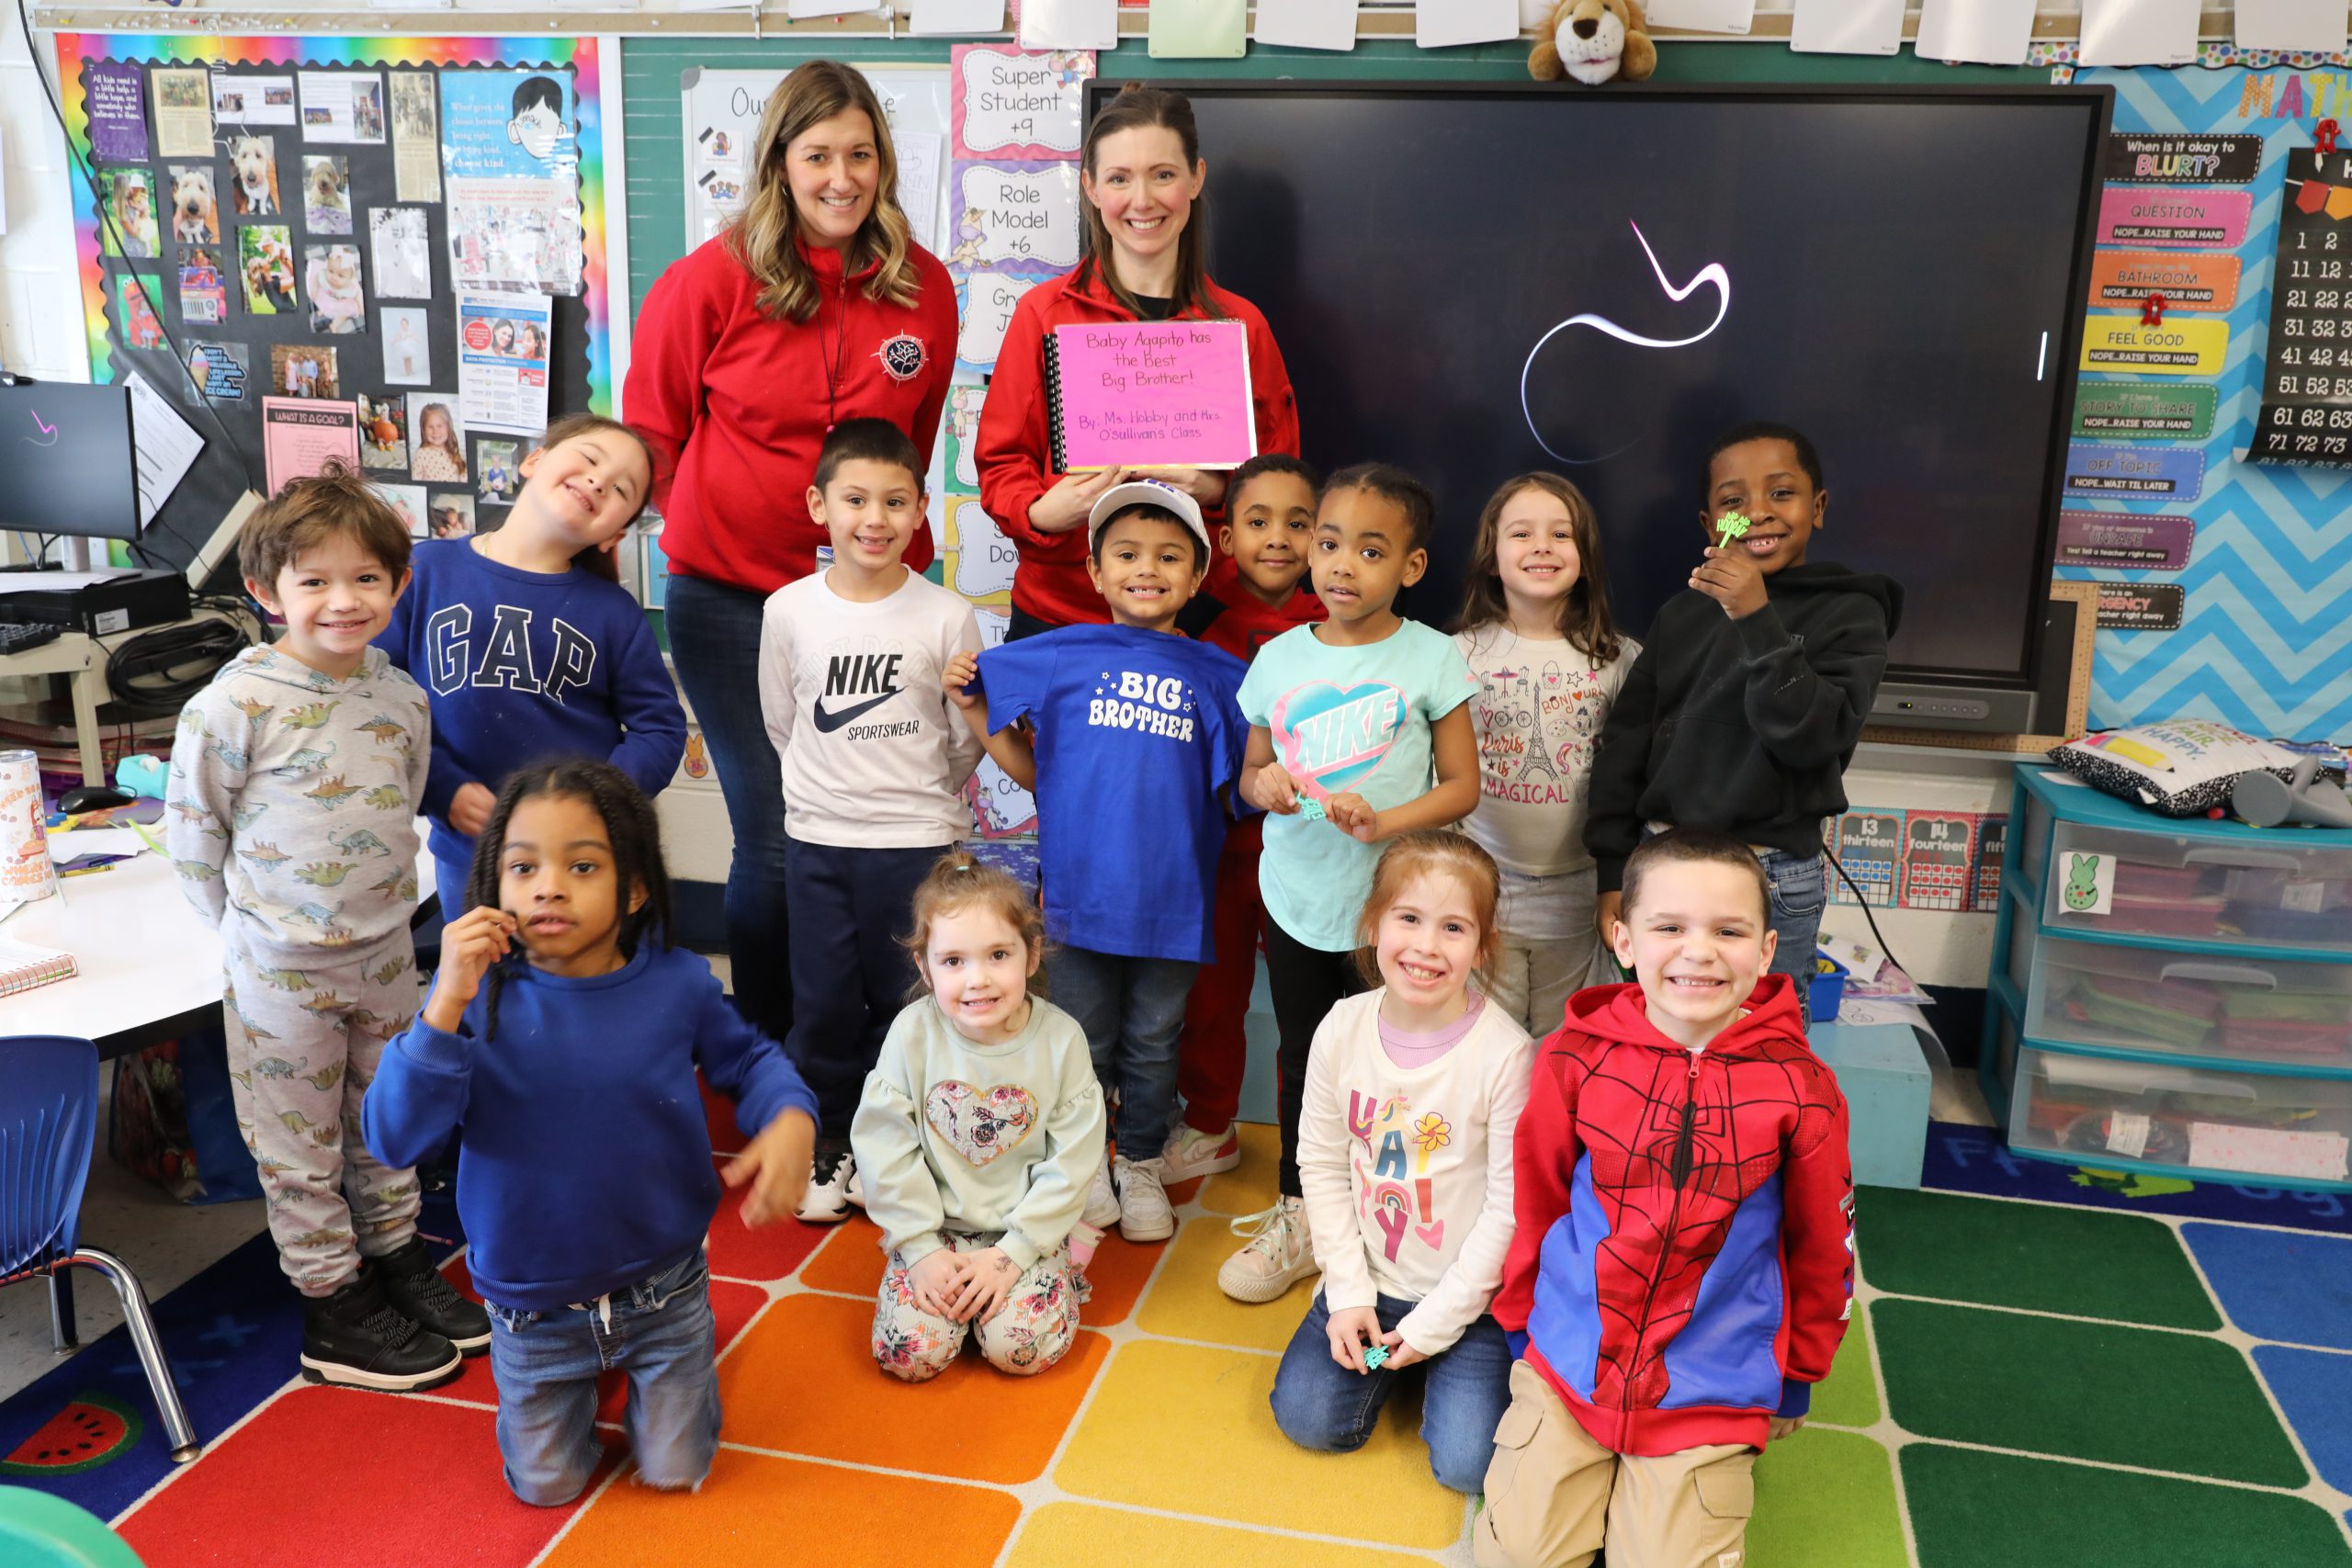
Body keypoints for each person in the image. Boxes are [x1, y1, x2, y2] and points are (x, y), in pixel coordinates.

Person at [365, 761, 818, 1506]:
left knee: (679, 1467)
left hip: (665, 1289)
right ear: (494, 886)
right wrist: (444, 1001)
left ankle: (661, 1375)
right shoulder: (471, 1005)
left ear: (634, 888)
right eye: (523, 866)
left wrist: (791, 1113)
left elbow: (753, 1059)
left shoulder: (677, 983)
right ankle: (583, 1389)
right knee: (547, 1488)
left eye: (581, 865)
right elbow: (393, 1138)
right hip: (531, 1311)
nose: (548, 884)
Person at [628, 59, 957, 1049]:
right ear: (779, 162)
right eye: (818, 155)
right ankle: (769, 1053)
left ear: (885, 162)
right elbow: (652, 437)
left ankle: (889, 1051)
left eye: (860, 154)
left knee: (890, 835)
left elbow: (915, 439)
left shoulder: (922, 287)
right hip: (731, 599)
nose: (841, 177)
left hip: (877, 601)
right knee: (776, 839)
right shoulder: (709, 281)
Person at [165, 467, 488, 1391]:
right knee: (297, 1143)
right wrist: (247, 938)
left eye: (365, 579)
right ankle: (330, 1302)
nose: (343, 601)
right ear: (267, 593)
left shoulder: (400, 697)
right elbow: (193, 833)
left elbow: (408, 803)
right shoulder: (234, 705)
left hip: (386, 949)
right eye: (314, 582)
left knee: (386, 1122)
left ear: (396, 584)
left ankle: (392, 1258)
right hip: (280, 966)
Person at [1478, 828, 1855, 1568]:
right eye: (1670, 926)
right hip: (1571, 1361)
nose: (1700, 950)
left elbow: (1825, 1243)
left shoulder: (1802, 1088)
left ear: (1769, 949)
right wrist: (1524, 1323)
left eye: (1729, 930)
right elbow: (1539, 1198)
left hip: (1711, 1385)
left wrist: (1799, 1373)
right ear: (1623, 937)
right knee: (1516, 1556)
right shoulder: (1572, 1055)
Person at [946, 479, 1250, 1244]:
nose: (1148, 569)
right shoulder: (1058, 652)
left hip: (1176, 904)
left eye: (1170, 556)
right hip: (1079, 898)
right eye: (1128, 553)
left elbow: (1243, 786)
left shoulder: (1222, 675)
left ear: (1197, 574)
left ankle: (1141, 1160)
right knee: (1083, 1039)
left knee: (1155, 1040)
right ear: (1096, 569)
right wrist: (978, 711)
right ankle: (1083, 1164)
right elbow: (1034, 772)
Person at [1218, 463, 1480, 1303]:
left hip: (1397, 911)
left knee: (1398, 1058)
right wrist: (1263, 788)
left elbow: (1462, 787)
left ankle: (1390, 1213)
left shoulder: (1433, 656)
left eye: (1370, 550)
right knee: (1308, 1053)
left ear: (1410, 567)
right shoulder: (1276, 656)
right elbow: (1253, 769)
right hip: (1298, 894)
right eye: (1327, 542)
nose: (1340, 564)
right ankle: (1301, 1210)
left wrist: (1387, 822)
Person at [1584, 423, 1903, 1027]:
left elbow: (1813, 735)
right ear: (1711, 524)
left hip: (1774, 872)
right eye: (1734, 500)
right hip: (1661, 861)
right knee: (1658, 1038)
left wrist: (1755, 616)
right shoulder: (1681, 614)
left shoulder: (1852, 613)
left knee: (1761, 1047)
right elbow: (1626, 743)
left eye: (1781, 494)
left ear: (1818, 507)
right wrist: (1610, 870)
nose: (1758, 512)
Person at [758, 419, 984, 1223]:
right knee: (822, 1004)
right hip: (819, 839)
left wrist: (914, 801)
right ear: (820, 504)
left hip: (917, 844)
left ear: (923, 508)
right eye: (855, 499)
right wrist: (832, 798)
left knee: (910, 1003)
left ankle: (906, 1147)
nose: (875, 518)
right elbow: (783, 722)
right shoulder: (788, 611)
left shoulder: (947, 613)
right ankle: (834, 1145)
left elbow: (963, 741)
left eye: (895, 501)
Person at [975, 85, 1300, 638]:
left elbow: (1283, 486)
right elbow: (1002, 464)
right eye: (1120, 178)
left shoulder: (1241, 327)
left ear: (1196, 179)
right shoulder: (1044, 315)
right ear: (1091, 189)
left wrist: (1218, 490)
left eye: (1163, 175)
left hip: (1202, 622)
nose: (1142, 200)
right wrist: (1039, 514)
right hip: (1064, 618)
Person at [1271, 832, 1532, 1494]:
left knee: (1471, 1467)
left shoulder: (1506, 1054)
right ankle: (1393, 1355)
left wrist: (1434, 1325)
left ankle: (1424, 1358)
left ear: (1483, 943)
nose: (1426, 946)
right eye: (1408, 918)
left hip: (1469, 1302)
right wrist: (1349, 1293)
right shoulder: (1341, 1026)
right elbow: (1323, 1165)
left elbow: (1509, 1208)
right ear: (1375, 922)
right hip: (1367, 1280)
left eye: (1453, 926)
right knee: (1306, 1419)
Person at [376, 412, 685, 909]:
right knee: (478, 982)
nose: (599, 480)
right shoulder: (425, 570)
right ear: (534, 460)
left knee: (579, 985)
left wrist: (598, 802)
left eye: (622, 490)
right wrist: (441, 787)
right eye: (589, 458)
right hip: (468, 854)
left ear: (614, 536)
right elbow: (376, 700)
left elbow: (662, 730)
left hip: (579, 862)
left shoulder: (614, 613)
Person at [850, 852, 1106, 1381]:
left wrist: (1014, 1254)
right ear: (925, 967)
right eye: (953, 962)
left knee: (1020, 1351)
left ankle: (1063, 1264)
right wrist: (920, 1250)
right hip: (934, 1230)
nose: (978, 980)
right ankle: (932, 1281)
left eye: (997, 955)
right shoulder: (911, 1034)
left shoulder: (1062, 1041)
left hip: (1024, 1233)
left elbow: (1073, 1162)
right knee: (910, 1356)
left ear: (1031, 956)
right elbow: (884, 1148)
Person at [1164, 453, 1325, 1184]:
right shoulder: (1188, 612)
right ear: (1225, 538)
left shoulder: (1343, 614)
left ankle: (1316, 1145)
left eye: (1300, 523)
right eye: (1258, 521)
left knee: (1316, 1007)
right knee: (1212, 992)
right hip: (1221, 841)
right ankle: (1209, 1121)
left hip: (1312, 845)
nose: (1279, 538)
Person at [1453, 474, 1640, 1037]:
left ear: (1585, 556)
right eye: (1521, 533)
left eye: (1561, 533)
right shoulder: (1455, 655)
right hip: (1484, 883)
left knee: (1565, 1048)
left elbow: (1634, 774)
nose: (1541, 546)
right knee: (1487, 1044)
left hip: (1582, 891)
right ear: (1491, 557)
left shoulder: (1621, 658)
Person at [413, 402, 467, 483]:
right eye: (430, 427)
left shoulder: (456, 451)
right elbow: (415, 482)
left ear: (448, 427)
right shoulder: (421, 455)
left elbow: (464, 479)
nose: (435, 431)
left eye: (440, 426)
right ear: (424, 429)